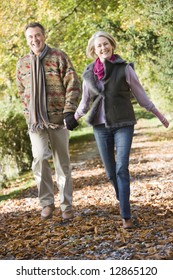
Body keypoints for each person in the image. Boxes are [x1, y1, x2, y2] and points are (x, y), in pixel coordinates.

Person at [74, 31, 169, 229]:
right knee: (110, 173)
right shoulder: (89, 73)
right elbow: (84, 103)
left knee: (121, 169)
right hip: (100, 127)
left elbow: (142, 97)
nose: (103, 48)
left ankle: (126, 215)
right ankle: (123, 199)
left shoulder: (124, 68)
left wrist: (160, 116)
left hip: (124, 123)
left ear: (112, 45)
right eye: (99, 45)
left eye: (106, 44)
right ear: (94, 50)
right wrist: (72, 119)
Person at [16, 22, 80, 220]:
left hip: (58, 119)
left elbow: (73, 83)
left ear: (44, 36)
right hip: (36, 122)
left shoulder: (58, 57)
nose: (34, 40)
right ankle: (46, 203)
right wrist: (29, 113)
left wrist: (69, 111)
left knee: (63, 163)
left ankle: (66, 205)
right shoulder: (22, 63)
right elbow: (22, 91)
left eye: (37, 35)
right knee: (40, 158)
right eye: (30, 37)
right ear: (26, 40)